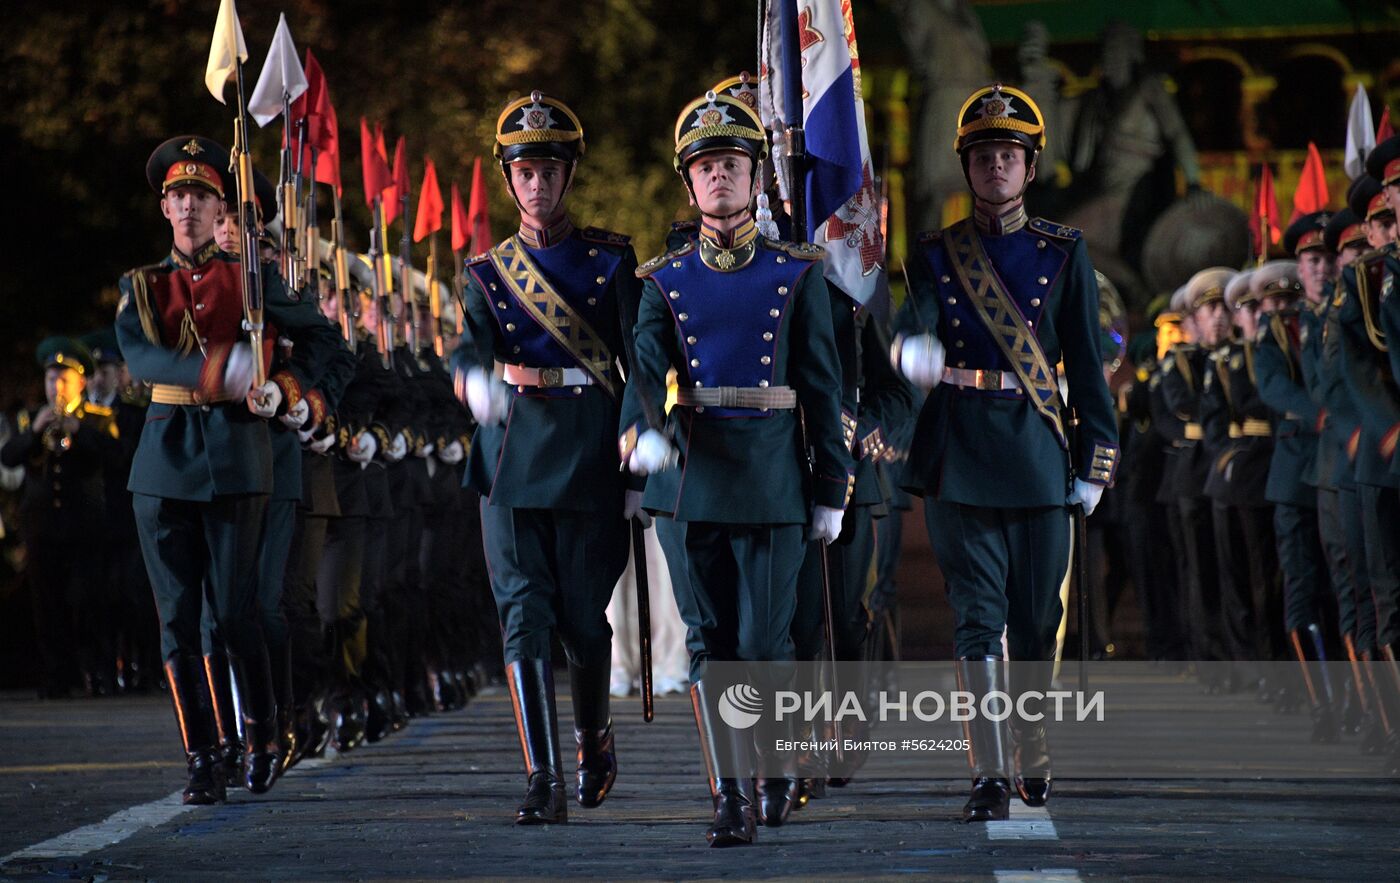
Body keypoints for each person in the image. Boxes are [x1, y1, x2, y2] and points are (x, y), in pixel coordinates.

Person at [620, 89, 851, 846]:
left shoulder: (797, 272)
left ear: (756, 178)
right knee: (708, 641)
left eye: (731, 164)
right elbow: (644, 370)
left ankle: (776, 770)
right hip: (690, 479)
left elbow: (823, 385)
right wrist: (642, 430)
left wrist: (831, 485)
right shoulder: (663, 280)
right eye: (705, 166)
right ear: (688, 184)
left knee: (766, 639)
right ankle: (727, 793)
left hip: (775, 476)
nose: (718, 177)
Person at [890, 84, 1117, 822]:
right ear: (968, 166)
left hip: (1039, 452)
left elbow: (1085, 365)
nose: (996, 167)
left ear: (1029, 166)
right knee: (977, 616)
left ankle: (1033, 744)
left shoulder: (1064, 252)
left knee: (1034, 620)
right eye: (984, 156)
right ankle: (988, 770)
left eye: (1008, 156)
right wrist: (910, 344)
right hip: (961, 451)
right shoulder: (936, 252)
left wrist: (1095, 460)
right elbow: (912, 317)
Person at [114, 135, 343, 804]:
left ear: (220, 209)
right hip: (163, 463)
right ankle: (202, 756)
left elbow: (326, 339)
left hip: (240, 460)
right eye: (178, 195)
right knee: (179, 622)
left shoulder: (253, 282)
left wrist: (291, 387)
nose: (189, 206)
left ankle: (263, 731)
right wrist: (219, 371)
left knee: (237, 614)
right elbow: (143, 359)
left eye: (202, 196)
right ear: (164, 207)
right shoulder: (143, 287)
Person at [452, 91, 639, 824]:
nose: (536, 184)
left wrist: (632, 456)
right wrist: (470, 375)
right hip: (510, 453)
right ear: (509, 179)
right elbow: (472, 340)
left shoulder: (610, 261)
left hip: (590, 451)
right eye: (524, 172)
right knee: (523, 614)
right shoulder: (487, 273)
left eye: (548, 171)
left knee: (583, 620)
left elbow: (638, 361)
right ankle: (544, 777)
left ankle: (593, 736)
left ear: (567, 177)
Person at [1, 338, 117, 699]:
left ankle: (95, 671)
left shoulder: (98, 419)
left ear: (80, 383)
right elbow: (8, 457)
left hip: (84, 524)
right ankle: (56, 674)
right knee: (46, 603)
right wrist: (35, 432)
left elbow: (115, 456)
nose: (56, 387)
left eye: (64, 380)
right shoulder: (30, 417)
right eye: (52, 380)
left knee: (87, 599)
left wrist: (78, 433)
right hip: (42, 527)